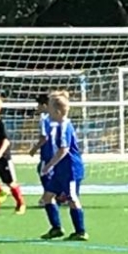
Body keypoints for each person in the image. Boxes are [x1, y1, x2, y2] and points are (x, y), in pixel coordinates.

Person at [40, 93, 87, 240]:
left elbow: (64, 149)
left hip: (70, 169)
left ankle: (80, 231)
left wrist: (49, 165)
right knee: (47, 197)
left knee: (72, 198)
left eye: (50, 110)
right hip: (60, 170)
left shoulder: (65, 126)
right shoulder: (58, 126)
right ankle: (56, 228)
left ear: (58, 112)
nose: (48, 113)